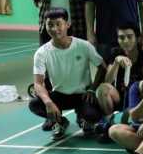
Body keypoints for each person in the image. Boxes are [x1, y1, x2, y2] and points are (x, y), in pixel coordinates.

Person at [27, 0, 91, 131]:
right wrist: (46, 11)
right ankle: (54, 115)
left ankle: (83, 114)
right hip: (49, 27)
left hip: (77, 24)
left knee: (80, 70)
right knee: (47, 74)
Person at [29, 8, 106, 140]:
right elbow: (38, 83)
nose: (54, 29)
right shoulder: (41, 53)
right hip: (59, 95)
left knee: (93, 115)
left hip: (83, 95)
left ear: (67, 24)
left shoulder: (83, 45)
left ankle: (83, 118)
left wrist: (93, 89)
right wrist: (48, 102)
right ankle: (60, 122)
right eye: (50, 25)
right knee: (34, 104)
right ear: (45, 26)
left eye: (58, 24)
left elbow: (102, 67)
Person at [94, 24, 143, 139]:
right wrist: (116, 63)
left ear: (137, 38)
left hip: (136, 101)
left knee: (130, 118)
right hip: (119, 98)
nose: (125, 41)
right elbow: (108, 81)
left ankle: (127, 124)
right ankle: (109, 122)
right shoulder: (115, 53)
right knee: (102, 89)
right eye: (121, 37)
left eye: (129, 37)